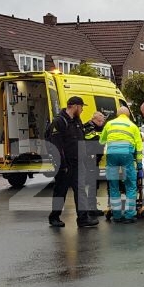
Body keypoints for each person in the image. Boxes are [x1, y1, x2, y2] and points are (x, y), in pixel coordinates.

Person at [44, 96, 98, 228]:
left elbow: (80, 141)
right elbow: (56, 146)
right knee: (60, 191)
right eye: (81, 107)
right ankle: (54, 217)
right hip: (65, 164)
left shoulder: (77, 121)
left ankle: (83, 218)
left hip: (78, 162)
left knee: (80, 190)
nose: (82, 110)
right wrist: (62, 165)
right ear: (74, 106)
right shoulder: (59, 122)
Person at [100, 106, 144, 223]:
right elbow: (139, 148)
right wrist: (139, 165)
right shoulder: (133, 126)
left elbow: (102, 141)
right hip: (126, 155)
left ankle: (117, 215)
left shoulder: (109, 124)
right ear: (128, 115)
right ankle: (129, 215)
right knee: (130, 185)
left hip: (111, 155)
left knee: (114, 185)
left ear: (117, 115)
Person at [77, 110, 106, 225]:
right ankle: (91, 207)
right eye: (101, 121)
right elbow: (94, 141)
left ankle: (92, 206)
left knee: (94, 183)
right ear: (96, 120)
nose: (102, 123)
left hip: (93, 159)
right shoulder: (89, 128)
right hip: (89, 159)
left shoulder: (93, 127)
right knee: (92, 183)